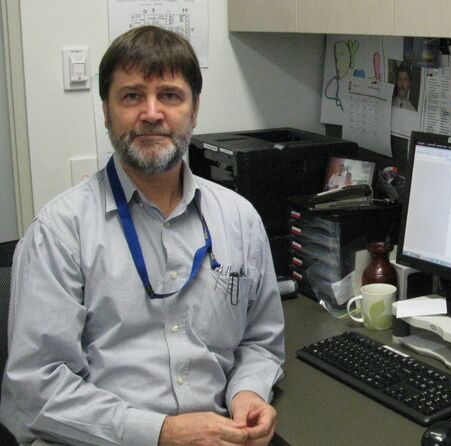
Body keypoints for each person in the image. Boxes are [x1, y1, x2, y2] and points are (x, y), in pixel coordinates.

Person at [0, 26, 285, 446]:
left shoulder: (239, 219)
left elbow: (260, 340)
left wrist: (248, 392)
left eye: (170, 95)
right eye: (132, 96)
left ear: (194, 109)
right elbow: (36, 390)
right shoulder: (59, 232)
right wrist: (161, 433)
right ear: (106, 111)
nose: (152, 113)